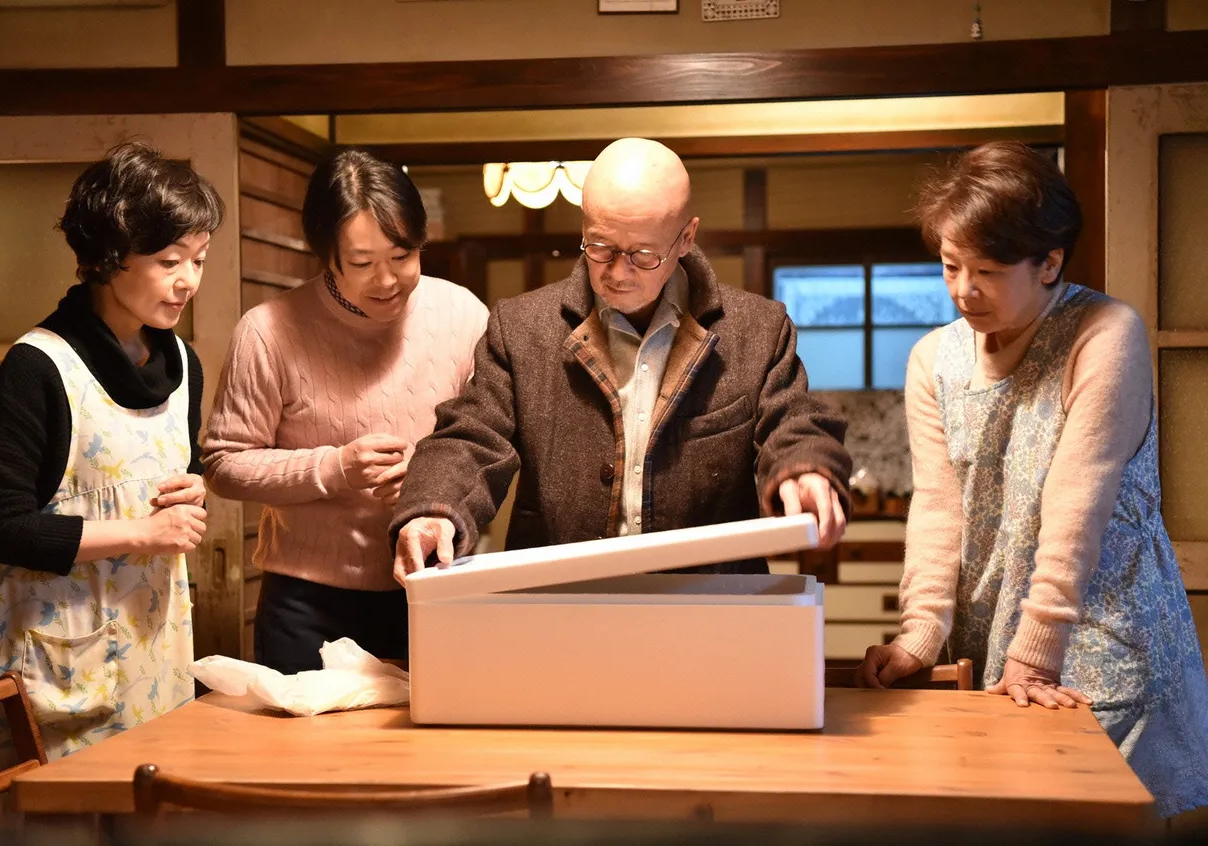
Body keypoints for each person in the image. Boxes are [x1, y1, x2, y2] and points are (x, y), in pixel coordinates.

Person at [854, 141, 1208, 817]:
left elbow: (1078, 500)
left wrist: (1040, 648)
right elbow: (937, 506)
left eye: (986, 270)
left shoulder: (1103, 334)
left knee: (1113, 824)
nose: (963, 290)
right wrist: (921, 632)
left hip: (1098, 634)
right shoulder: (934, 359)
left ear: (1049, 263)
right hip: (991, 638)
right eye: (950, 266)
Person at [391, 137, 851, 581]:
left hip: (708, 604)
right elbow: (472, 436)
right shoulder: (522, 327)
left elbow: (792, 422)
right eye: (600, 247)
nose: (616, 273)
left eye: (643, 254)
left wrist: (805, 467)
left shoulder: (756, 329)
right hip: (559, 601)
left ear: (686, 237)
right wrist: (435, 508)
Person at [0, 140, 222, 764]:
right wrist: (142, 531)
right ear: (107, 259)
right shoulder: (36, 368)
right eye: (168, 260)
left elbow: (177, 472)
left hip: (151, 652)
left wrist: (194, 487)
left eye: (199, 259)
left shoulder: (183, 362)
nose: (188, 281)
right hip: (52, 661)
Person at [202, 148, 488, 673]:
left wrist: (432, 483)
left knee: (430, 753)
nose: (386, 280)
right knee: (305, 754)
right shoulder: (268, 331)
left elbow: (494, 444)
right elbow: (223, 464)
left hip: (432, 584)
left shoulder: (462, 315)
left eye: (402, 256)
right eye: (362, 263)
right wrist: (334, 469)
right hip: (308, 603)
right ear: (325, 253)